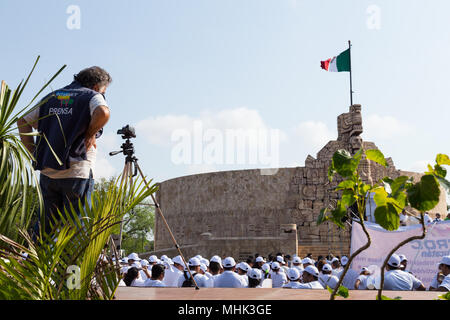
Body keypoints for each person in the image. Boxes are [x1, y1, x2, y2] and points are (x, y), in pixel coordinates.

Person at [18, 66, 111, 237]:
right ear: (97, 87)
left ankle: (39, 263)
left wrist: (34, 152)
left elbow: (23, 121)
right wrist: (90, 135)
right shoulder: (92, 96)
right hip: (77, 171)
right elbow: (103, 113)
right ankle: (72, 266)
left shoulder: (53, 96)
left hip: (48, 172)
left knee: (45, 230)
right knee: (75, 233)